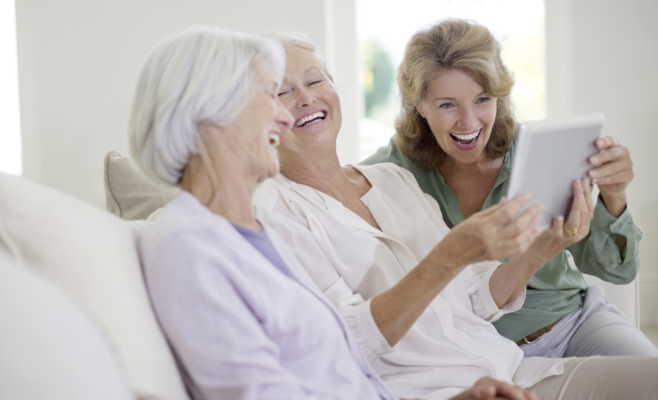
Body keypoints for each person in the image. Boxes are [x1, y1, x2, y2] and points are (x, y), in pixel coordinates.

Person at [252, 29, 658, 400]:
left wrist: (548, 244)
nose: (306, 98)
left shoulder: (390, 181)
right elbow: (339, 345)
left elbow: (472, 295)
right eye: (282, 91)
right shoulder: (273, 212)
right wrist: (451, 255)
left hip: (522, 359)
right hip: (448, 385)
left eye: (315, 81)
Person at [130, 27, 532, 400]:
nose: (284, 116)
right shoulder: (188, 245)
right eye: (269, 96)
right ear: (210, 117)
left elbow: (335, 368)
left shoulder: (245, 234)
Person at [360, 18, 656, 359]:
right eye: (447, 104)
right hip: (479, 353)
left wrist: (614, 195)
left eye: (482, 99)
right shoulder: (387, 173)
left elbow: (617, 270)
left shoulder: (538, 152)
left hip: (574, 324)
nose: (469, 121)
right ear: (419, 105)